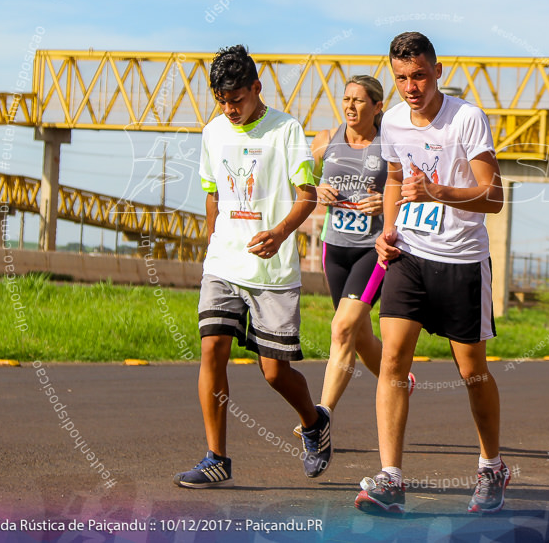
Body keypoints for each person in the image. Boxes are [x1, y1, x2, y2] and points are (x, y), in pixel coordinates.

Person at [355, 32, 507, 515]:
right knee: (394, 360)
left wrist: (439, 192)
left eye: (419, 75)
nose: (411, 87)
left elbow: (494, 197)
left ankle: (491, 466)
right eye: (401, 78)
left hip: (461, 259)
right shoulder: (394, 121)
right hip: (410, 256)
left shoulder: (466, 119)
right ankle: (391, 478)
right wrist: (388, 229)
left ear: (437, 70)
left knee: (472, 371)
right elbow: (397, 178)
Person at [173, 44, 331, 488]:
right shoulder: (213, 132)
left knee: (274, 371)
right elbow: (212, 193)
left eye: (236, 99)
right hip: (224, 262)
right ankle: (216, 458)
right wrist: (213, 241)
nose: (229, 109)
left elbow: (308, 195)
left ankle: (314, 422)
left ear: (256, 88)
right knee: (212, 350)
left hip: (272, 269)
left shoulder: (287, 131)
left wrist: (280, 233)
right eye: (221, 100)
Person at [298, 76, 414, 436]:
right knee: (359, 336)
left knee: (343, 327)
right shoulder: (324, 140)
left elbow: (414, 188)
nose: (350, 106)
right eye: (346, 99)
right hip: (334, 249)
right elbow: (295, 178)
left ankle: (321, 417)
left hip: (371, 250)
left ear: (377, 107)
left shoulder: (389, 145)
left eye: (359, 101)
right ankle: (400, 381)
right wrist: (317, 189)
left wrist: (387, 201)